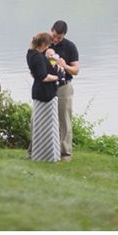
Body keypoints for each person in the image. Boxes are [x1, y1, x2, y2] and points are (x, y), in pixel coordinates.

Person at [27, 31, 61, 162]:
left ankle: (40, 153)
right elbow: (44, 77)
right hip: (45, 94)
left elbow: (34, 73)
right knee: (49, 126)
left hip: (38, 92)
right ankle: (48, 155)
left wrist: (52, 61)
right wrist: (58, 77)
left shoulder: (30, 54)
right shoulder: (38, 57)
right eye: (46, 45)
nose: (47, 48)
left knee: (39, 124)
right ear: (42, 44)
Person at [50, 19, 80, 161]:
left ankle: (65, 153)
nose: (56, 39)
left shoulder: (70, 47)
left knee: (64, 120)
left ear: (64, 35)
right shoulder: (45, 43)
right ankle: (44, 149)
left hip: (64, 87)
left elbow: (76, 70)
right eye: (54, 36)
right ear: (51, 30)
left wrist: (65, 65)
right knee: (43, 118)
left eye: (59, 37)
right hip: (47, 86)